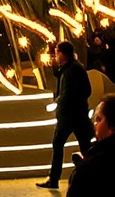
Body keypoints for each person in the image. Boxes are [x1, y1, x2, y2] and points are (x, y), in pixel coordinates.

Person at [39, 43, 93, 188]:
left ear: (64, 53)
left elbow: (82, 91)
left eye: (57, 53)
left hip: (70, 115)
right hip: (75, 114)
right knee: (84, 145)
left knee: (61, 144)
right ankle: (91, 175)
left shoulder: (73, 70)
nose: (56, 55)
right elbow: (59, 75)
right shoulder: (71, 68)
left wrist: (61, 102)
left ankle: (55, 178)